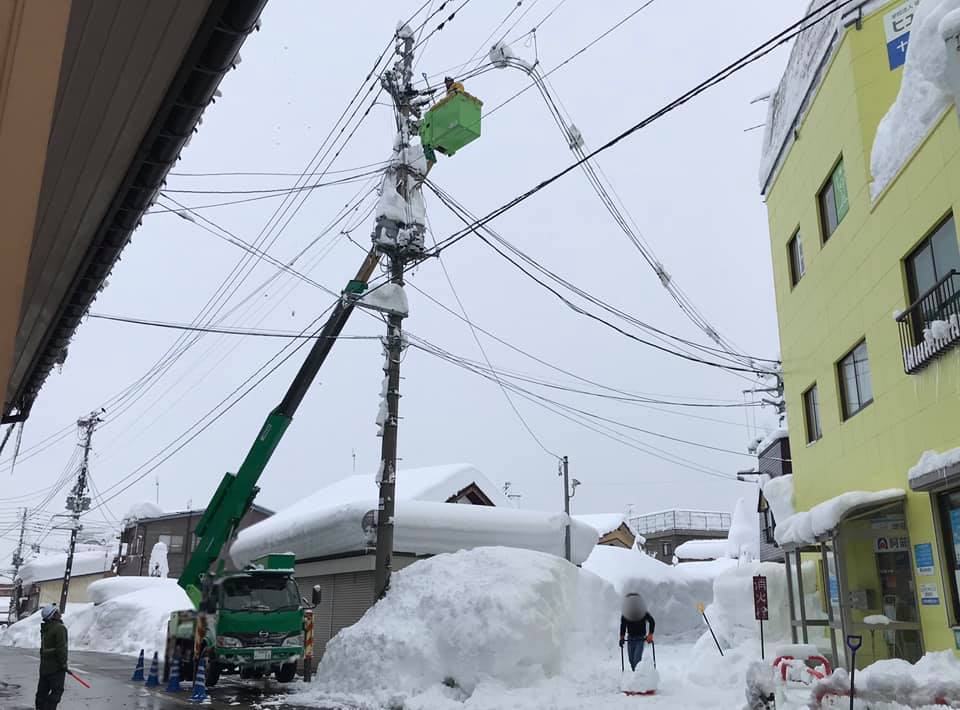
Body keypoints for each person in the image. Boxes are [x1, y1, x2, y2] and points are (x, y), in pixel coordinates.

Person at [36, 604, 68, 710]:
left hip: (44, 667)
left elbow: (43, 649)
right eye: (57, 612)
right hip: (56, 667)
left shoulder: (46, 628)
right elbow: (61, 648)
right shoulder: (59, 628)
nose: (60, 614)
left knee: (42, 692)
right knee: (57, 691)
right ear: (53, 615)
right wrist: (63, 664)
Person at [619, 592, 655, 672]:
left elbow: (652, 621)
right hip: (630, 638)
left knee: (637, 661)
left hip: (640, 639)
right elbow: (623, 626)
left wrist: (650, 634)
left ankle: (639, 678)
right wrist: (621, 637)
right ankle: (636, 677)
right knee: (631, 661)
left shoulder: (643, 612)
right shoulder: (626, 613)